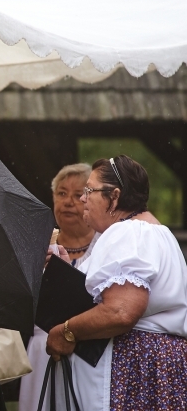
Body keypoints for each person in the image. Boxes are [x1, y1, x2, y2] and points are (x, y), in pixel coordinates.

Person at [46, 155, 187, 411]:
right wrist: (66, 272)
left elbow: (121, 311)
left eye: (89, 190)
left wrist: (67, 330)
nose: (82, 199)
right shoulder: (157, 231)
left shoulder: (128, 233)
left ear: (115, 196)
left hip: (133, 369)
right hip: (154, 363)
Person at [18, 163, 97, 410]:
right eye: (61, 194)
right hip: (42, 351)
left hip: (87, 353)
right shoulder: (36, 246)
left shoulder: (106, 247)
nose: (69, 202)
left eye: (78, 195)